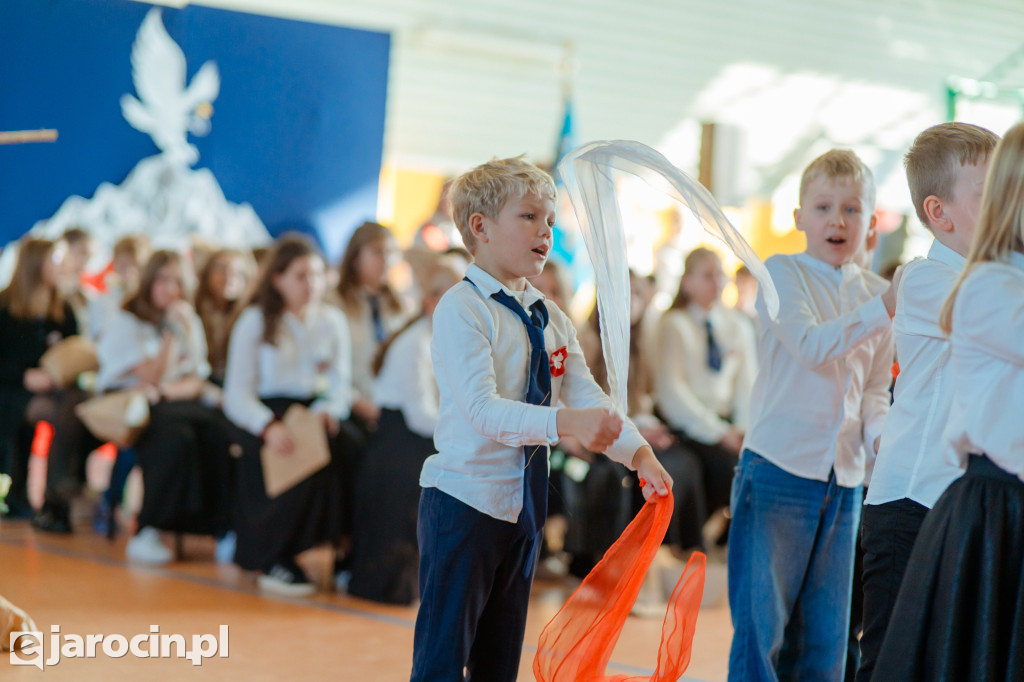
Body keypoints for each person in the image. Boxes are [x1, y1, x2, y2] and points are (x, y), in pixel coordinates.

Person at [410, 156, 673, 681]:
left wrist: (638, 452)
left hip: (523, 508)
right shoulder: (462, 309)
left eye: (551, 220)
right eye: (529, 217)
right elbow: (483, 410)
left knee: (499, 660)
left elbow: (588, 395)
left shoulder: (549, 315)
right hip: (464, 504)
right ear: (480, 228)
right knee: (442, 659)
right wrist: (564, 424)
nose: (546, 231)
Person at [728, 149, 900, 681]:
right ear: (799, 217)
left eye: (851, 209)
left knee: (827, 644)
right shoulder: (781, 273)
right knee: (763, 635)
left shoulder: (875, 293)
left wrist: (880, 439)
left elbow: (873, 389)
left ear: (870, 223)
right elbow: (810, 345)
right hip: (779, 468)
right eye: (823, 207)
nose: (837, 220)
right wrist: (885, 307)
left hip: (844, 480)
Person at [873, 121, 1024, 680]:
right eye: (994, 195)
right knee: (894, 658)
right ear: (940, 214)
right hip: (909, 500)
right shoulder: (927, 279)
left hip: (959, 500)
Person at [222, 234, 354, 596]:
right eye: (300, 276)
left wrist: (330, 408)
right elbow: (237, 394)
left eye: (316, 275)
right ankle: (271, 557)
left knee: (353, 448)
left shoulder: (332, 321)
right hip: (263, 411)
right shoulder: (255, 321)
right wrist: (267, 425)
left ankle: (344, 550)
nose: (310, 285)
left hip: (313, 408)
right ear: (277, 279)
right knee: (284, 453)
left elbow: (341, 383)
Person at [95, 250, 233, 564]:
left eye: (177, 282)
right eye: (163, 280)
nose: (171, 289)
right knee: (173, 436)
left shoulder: (188, 318)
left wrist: (167, 390)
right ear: (149, 282)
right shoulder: (127, 321)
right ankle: (150, 527)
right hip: (131, 405)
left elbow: (195, 377)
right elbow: (150, 375)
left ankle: (218, 527)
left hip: (170, 399)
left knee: (218, 429)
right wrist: (171, 334)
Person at [348, 263, 460, 605]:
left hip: (414, 438)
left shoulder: (439, 341)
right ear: (432, 303)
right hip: (399, 445)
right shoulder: (416, 345)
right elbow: (419, 415)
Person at [654, 247, 757, 546]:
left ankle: (732, 540)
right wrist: (719, 432)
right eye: (708, 276)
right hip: (688, 424)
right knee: (722, 468)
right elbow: (673, 392)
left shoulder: (737, 325)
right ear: (687, 282)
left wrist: (741, 428)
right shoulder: (674, 324)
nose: (718, 283)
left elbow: (747, 384)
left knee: (751, 466)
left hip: (727, 423)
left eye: (720, 275)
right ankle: (694, 545)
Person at [0, 239, 77, 519]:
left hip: (56, 388)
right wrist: (24, 376)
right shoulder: (4, 306)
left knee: (73, 408)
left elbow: (75, 349)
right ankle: (38, 492)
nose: (63, 268)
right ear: (35, 265)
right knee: (48, 410)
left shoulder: (63, 310)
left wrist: (60, 373)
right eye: (55, 261)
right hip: (11, 390)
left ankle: (59, 491)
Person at [331, 221, 408, 433]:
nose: (387, 261)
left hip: (390, 407)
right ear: (355, 258)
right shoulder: (334, 303)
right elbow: (325, 366)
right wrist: (357, 402)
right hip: (348, 409)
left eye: (392, 253)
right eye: (378, 252)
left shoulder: (399, 306)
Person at [194, 248, 254, 384]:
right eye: (221, 268)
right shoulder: (194, 309)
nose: (228, 277)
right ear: (207, 272)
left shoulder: (249, 316)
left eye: (237, 273)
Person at [87, 234, 150, 340]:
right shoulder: (101, 302)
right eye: (124, 265)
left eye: (137, 266)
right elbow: (103, 338)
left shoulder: (151, 302)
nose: (130, 272)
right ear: (115, 264)